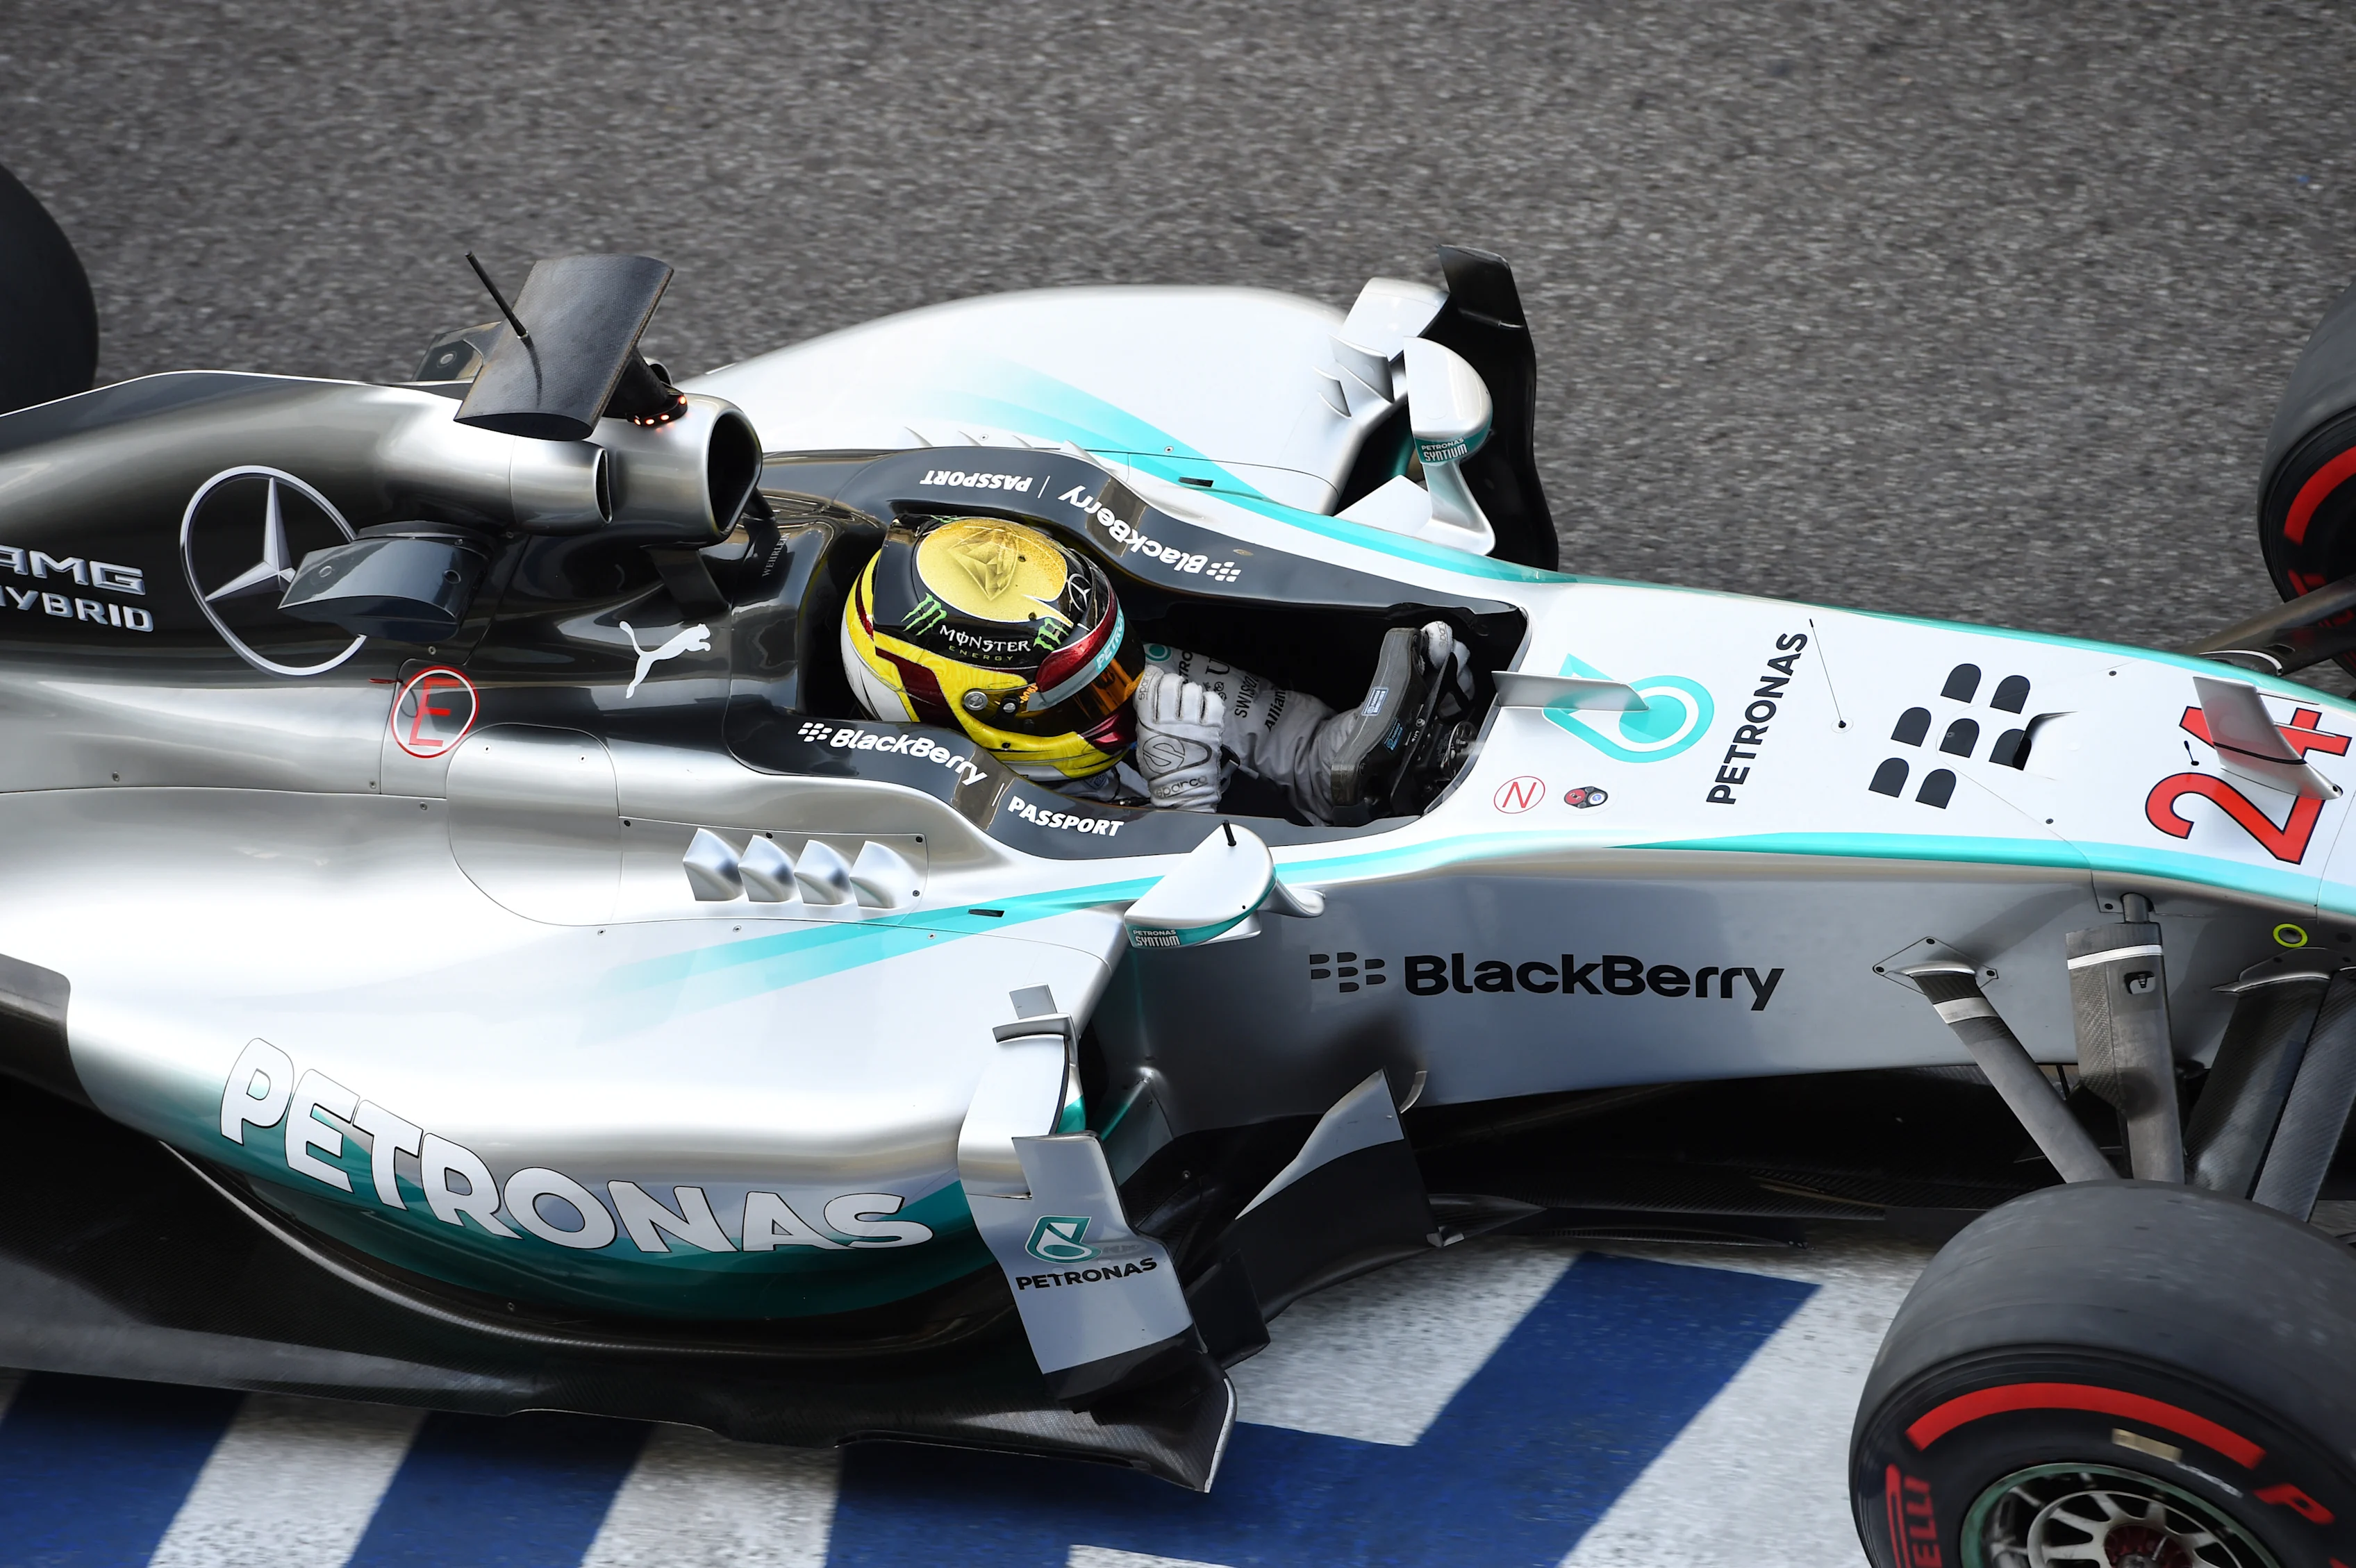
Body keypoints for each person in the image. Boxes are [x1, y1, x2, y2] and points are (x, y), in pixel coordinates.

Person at [840, 515, 1448, 824]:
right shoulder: (925, 830)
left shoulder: (1122, 672)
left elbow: (1313, 757)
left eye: (1116, 656)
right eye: (1081, 695)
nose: (1123, 692)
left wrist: (1338, 755)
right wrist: (1182, 812)